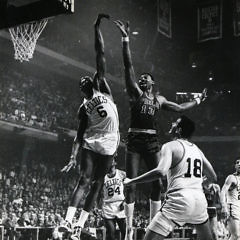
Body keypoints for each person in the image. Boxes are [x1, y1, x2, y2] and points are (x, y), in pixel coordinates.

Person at [114, 20, 207, 240]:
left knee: (158, 182)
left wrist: (198, 101)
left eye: (145, 78)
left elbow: (180, 108)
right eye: (141, 78)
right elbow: (128, 66)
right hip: (135, 140)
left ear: (152, 83)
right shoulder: (135, 93)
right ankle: (128, 230)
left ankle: (153, 224)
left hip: (152, 142)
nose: (141, 78)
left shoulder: (159, 99)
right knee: (131, 183)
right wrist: (125, 39)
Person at [59, 14, 119, 240]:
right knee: (84, 180)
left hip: (110, 141)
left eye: (88, 79)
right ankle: (67, 220)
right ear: (82, 90)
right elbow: (79, 135)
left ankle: (79, 225)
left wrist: (96, 27)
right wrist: (73, 156)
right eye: (83, 83)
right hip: (93, 142)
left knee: (98, 184)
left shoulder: (102, 88)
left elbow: (100, 53)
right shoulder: (83, 108)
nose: (87, 81)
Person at [123, 115, 217, 240]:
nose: (172, 123)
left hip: (180, 199)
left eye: (175, 123)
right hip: (199, 201)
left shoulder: (170, 146)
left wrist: (132, 181)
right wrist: (199, 184)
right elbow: (213, 177)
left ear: (178, 130)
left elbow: (160, 172)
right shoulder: (197, 150)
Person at [100, 158, 126, 240]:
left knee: (125, 231)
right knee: (111, 233)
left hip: (120, 204)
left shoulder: (122, 174)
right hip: (108, 206)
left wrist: (125, 202)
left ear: (115, 162)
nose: (109, 161)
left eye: (111, 160)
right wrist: (97, 206)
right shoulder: (102, 176)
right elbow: (98, 193)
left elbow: (131, 189)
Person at [220, 158, 240, 240]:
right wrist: (224, 207)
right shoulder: (231, 177)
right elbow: (223, 192)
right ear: (235, 166)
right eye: (238, 163)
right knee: (236, 235)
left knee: (235, 236)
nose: (239, 164)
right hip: (232, 207)